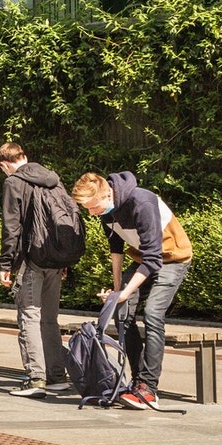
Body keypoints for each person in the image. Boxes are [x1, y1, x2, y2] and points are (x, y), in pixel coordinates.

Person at [71, 171, 192, 410]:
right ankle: (138, 382)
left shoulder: (142, 202)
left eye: (94, 207)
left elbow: (153, 259)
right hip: (143, 259)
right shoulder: (107, 209)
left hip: (173, 257)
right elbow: (115, 247)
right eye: (87, 209)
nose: (92, 213)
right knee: (122, 312)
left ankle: (149, 388)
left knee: (153, 314)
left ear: (108, 194)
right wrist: (117, 290)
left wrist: (125, 292)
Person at [0, 143, 72, 398]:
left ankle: (36, 378)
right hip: (56, 259)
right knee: (50, 319)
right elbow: (64, 220)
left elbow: (11, 228)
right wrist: (64, 259)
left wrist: (5, 264)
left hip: (32, 261)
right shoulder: (53, 179)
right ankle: (57, 377)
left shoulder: (13, 183)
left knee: (29, 316)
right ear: (25, 156)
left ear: (4, 164)